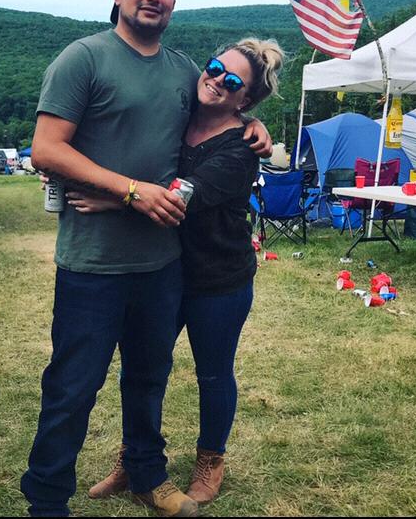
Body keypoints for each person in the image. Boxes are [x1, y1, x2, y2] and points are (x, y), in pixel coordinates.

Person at [20, 0, 273, 518]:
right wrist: (130, 190)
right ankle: (47, 501)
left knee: (147, 379)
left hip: (162, 264)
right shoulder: (83, 58)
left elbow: (222, 110)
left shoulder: (183, 70)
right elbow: (46, 149)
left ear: (174, 3)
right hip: (93, 260)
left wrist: (254, 124)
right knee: (72, 387)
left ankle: (146, 475)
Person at [70, 37, 284, 508]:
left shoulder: (241, 148)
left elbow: (180, 198)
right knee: (143, 370)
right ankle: (136, 458)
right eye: (215, 67)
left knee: (213, 373)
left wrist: (112, 199)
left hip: (218, 279)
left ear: (244, 100)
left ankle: (211, 459)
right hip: (160, 269)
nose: (217, 79)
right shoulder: (180, 116)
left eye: (233, 81)